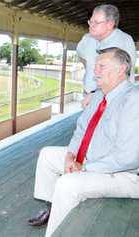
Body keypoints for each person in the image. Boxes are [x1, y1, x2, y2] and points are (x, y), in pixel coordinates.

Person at [28, 47, 139, 237]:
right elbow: (81, 130)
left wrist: (85, 167)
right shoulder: (98, 96)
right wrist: (71, 155)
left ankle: (56, 232)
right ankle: (52, 206)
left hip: (125, 175)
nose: (95, 71)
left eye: (101, 66)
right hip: (89, 158)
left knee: (67, 183)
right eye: (95, 66)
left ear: (121, 69)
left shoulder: (133, 100)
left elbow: (128, 158)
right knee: (47, 155)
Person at [77, 4, 136, 108]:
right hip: (89, 95)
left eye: (96, 22)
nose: (91, 25)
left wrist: (96, 95)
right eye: (90, 21)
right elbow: (82, 57)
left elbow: (121, 78)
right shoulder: (87, 38)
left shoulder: (124, 41)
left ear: (110, 24)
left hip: (113, 99)